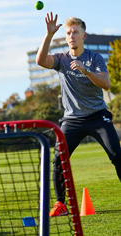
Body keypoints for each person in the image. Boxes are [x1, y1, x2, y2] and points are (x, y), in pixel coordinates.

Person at [36, 12, 121, 217]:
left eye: (76, 32)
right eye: (68, 33)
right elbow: (40, 61)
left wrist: (85, 70)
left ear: (84, 36)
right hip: (71, 120)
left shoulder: (95, 58)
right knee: (58, 161)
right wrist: (48, 35)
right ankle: (60, 204)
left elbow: (105, 83)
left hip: (97, 116)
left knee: (117, 156)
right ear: (65, 38)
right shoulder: (61, 59)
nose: (72, 36)